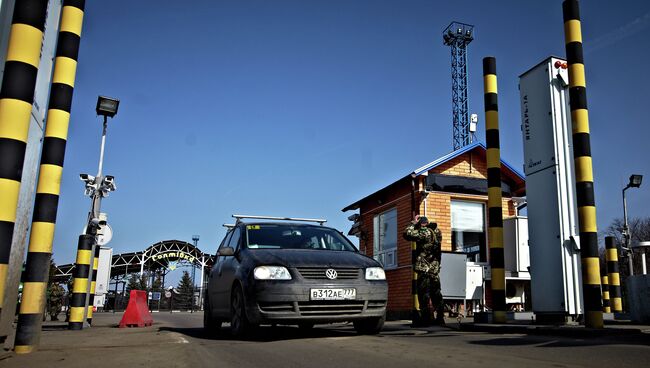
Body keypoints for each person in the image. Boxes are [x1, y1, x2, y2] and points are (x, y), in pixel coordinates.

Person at [404, 214, 444, 326]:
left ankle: (425, 320)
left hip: (424, 269)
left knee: (424, 294)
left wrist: (413, 224)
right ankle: (440, 318)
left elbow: (407, 234)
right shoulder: (437, 232)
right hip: (435, 268)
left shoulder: (424, 232)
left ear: (422, 224)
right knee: (436, 293)